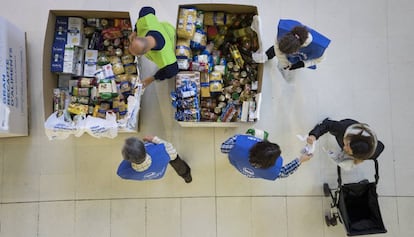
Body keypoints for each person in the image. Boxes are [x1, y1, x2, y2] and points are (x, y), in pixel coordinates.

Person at [253, 19, 331, 80]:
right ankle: (266, 56)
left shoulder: (318, 48)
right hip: (287, 48)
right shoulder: (284, 29)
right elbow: (277, 46)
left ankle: (287, 70)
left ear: (297, 50)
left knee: (291, 67)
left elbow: (319, 60)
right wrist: (284, 63)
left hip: (302, 57)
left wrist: (303, 64)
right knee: (275, 50)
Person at [221, 134, 312, 180]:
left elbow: (223, 148)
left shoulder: (239, 144)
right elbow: (285, 172)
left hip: (237, 163)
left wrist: (244, 136)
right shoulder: (272, 171)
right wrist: (300, 160)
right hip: (253, 173)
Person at [128, 6, 179, 88]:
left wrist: (151, 79)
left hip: (171, 35)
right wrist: (135, 31)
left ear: (146, 53)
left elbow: (173, 71)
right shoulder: (146, 23)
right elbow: (147, 9)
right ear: (138, 37)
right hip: (164, 27)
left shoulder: (165, 56)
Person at [306, 118, 385, 170]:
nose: (344, 148)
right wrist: (314, 135)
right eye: (347, 145)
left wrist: (359, 160)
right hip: (345, 129)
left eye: (348, 151)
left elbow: (381, 146)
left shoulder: (371, 152)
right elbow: (327, 125)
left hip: (351, 139)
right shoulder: (342, 128)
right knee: (331, 128)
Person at [117, 135, 192, 183]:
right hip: (160, 169)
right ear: (145, 147)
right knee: (175, 160)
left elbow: (122, 172)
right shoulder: (162, 151)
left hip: (156, 176)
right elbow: (171, 150)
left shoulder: (122, 171)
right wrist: (154, 139)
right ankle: (186, 176)